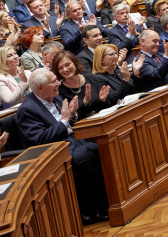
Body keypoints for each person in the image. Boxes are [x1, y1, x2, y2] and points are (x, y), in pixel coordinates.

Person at [16, 68, 109, 224]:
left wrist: (73, 116)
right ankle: (90, 209)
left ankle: (106, 202)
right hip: (55, 151)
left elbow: (69, 122)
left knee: (103, 146)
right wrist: (64, 121)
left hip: (75, 141)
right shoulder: (27, 110)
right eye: (54, 81)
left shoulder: (57, 98)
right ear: (40, 87)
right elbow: (40, 139)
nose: (58, 83)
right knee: (89, 158)